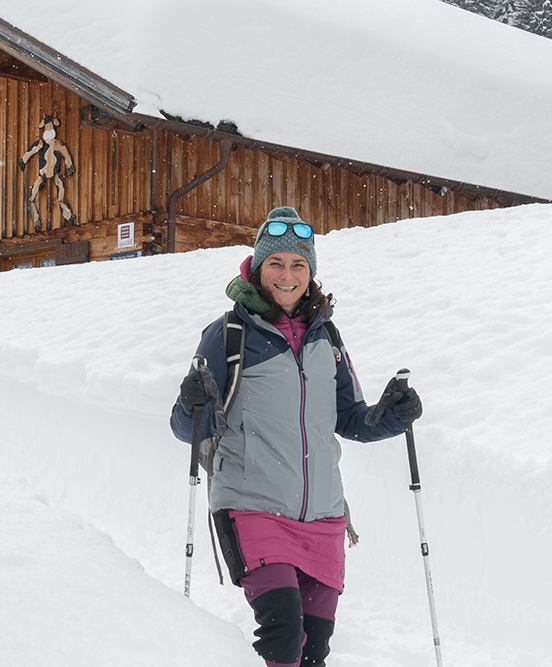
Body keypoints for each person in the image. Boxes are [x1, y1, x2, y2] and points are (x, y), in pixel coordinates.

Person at [169, 206, 423, 667]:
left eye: (298, 264)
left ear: (311, 272)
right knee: (284, 635)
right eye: (276, 264)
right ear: (258, 268)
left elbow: (350, 418)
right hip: (252, 507)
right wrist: (193, 403)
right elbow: (185, 427)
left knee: (314, 650)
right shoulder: (229, 335)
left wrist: (392, 416)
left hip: (324, 515)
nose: (287, 275)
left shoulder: (328, 337)